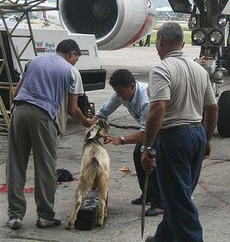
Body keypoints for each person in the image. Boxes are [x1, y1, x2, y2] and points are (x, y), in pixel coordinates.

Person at [141, 22, 218, 242]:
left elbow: (157, 108)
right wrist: (208, 138)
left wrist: (147, 147)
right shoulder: (199, 70)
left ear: (160, 41)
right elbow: (212, 107)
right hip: (196, 134)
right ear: (182, 44)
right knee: (179, 195)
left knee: (179, 201)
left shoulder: (162, 69)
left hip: (174, 138)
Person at [6, 39, 93, 230]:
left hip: (19, 111)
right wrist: (88, 122)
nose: (74, 62)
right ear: (71, 54)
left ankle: (14, 216)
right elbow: (73, 109)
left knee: (15, 163)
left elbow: (15, 92)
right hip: (43, 116)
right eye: (75, 59)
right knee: (45, 166)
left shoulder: (34, 61)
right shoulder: (71, 71)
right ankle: (45, 215)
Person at [92, 69, 163, 216]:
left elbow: (145, 133)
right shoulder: (121, 94)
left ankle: (160, 202)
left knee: (150, 159)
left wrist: (121, 140)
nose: (118, 95)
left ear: (132, 86)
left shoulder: (145, 99)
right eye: (116, 92)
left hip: (162, 131)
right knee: (138, 155)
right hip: (149, 129)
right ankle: (148, 194)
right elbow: (104, 111)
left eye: (121, 92)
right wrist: (90, 124)